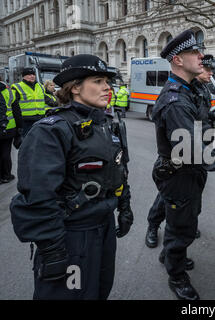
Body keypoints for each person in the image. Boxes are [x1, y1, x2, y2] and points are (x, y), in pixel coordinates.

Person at [10, 54, 133, 300]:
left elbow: (119, 170)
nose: (107, 87)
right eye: (98, 81)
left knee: (99, 289)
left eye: (107, 81)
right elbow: (38, 198)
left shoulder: (109, 124)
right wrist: (53, 250)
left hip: (104, 227)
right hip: (72, 236)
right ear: (75, 87)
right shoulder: (51, 130)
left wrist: (124, 205)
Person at [152, 30, 215, 300]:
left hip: (190, 173)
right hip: (180, 174)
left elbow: (203, 127)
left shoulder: (191, 91)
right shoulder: (176, 100)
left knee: (186, 220)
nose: (202, 56)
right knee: (182, 228)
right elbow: (191, 149)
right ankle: (176, 274)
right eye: (195, 52)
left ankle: (170, 254)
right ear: (178, 60)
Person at [144, 55, 215, 250]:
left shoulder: (199, 90)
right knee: (167, 200)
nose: (210, 73)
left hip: (197, 155)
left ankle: (184, 226)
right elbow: (185, 139)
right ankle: (154, 226)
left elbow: (201, 120)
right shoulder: (179, 94)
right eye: (208, 69)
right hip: (180, 160)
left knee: (190, 202)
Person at [11, 68, 57, 135]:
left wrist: (59, 102)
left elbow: (47, 99)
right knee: (26, 141)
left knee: (38, 140)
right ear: (23, 76)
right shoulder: (17, 87)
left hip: (40, 119)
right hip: (25, 120)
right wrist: (18, 123)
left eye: (33, 74)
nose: (32, 76)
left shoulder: (40, 86)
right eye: (29, 74)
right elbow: (14, 105)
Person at [0, 79, 23, 183]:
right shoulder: (9, 92)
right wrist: (19, 127)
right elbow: (17, 111)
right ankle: (6, 175)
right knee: (5, 152)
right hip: (9, 127)